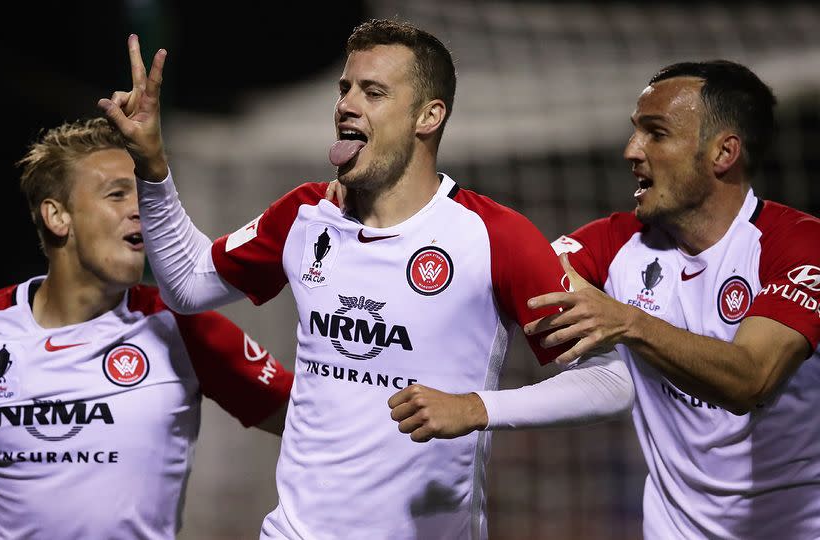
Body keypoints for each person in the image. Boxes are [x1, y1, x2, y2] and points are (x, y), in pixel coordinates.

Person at [98, 22, 634, 540]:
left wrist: (477, 408)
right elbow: (189, 284)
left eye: (373, 92)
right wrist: (151, 164)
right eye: (345, 88)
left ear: (429, 116)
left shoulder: (494, 236)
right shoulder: (306, 215)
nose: (346, 105)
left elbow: (610, 383)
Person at [0, 117, 294, 540]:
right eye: (117, 194)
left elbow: (306, 417)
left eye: (142, 193)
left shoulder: (179, 328)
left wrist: (378, 403)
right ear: (57, 217)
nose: (140, 208)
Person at [524, 60, 820, 539]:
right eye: (634, 131)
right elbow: (518, 272)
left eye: (655, 134)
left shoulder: (798, 244)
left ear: (723, 153)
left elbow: (750, 380)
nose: (630, 151)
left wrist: (627, 322)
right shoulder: (614, 242)